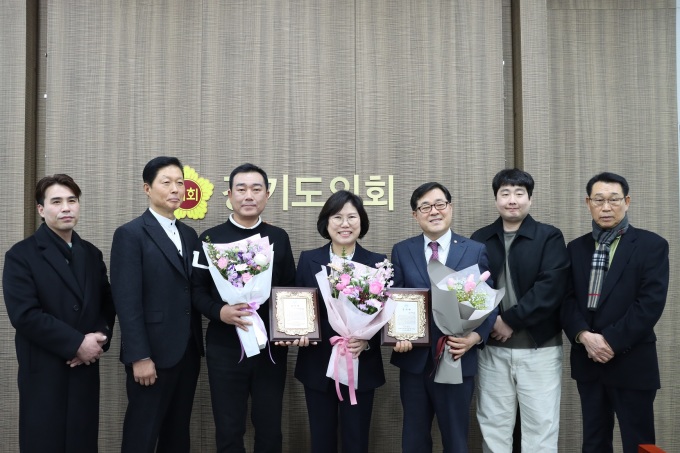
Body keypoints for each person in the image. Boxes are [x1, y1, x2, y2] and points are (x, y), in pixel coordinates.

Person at [3, 174, 115, 452]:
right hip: (45, 370)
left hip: (84, 369)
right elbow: (25, 315)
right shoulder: (21, 255)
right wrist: (77, 343)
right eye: (56, 202)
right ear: (41, 209)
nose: (66, 208)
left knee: (82, 442)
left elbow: (107, 302)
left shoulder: (91, 254)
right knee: (45, 442)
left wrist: (99, 338)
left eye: (72, 200)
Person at [192, 163, 296, 453]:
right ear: (229, 195)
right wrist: (219, 312)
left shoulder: (278, 237)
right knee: (228, 428)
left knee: (270, 427)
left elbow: (289, 289)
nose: (248, 195)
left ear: (267, 195)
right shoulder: (209, 239)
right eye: (241, 189)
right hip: (224, 346)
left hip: (270, 348)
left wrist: (290, 328)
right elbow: (196, 291)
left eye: (256, 189)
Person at [561, 172, 668, 453]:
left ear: (627, 201)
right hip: (589, 361)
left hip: (633, 360)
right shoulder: (575, 248)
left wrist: (608, 341)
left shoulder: (652, 245)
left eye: (614, 200)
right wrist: (584, 336)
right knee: (594, 442)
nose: (606, 207)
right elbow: (566, 300)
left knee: (641, 443)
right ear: (588, 203)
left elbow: (650, 304)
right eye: (599, 200)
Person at [390, 181, 496, 453]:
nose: (434, 211)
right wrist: (397, 335)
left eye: (440, 204)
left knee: (456, 440)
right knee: (414, 440)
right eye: (425, 207)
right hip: (414, 360)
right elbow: (395, 299)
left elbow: (488, 301)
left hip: (456, 356)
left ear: (450, 207)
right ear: (415, 215)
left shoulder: (474, 250)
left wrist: (475, 337)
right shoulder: (402, 250)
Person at [471, 169, 569, 452]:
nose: (512, 200)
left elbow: (550, 288)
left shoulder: (549, 236)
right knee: (493, 426)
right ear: (496, 199)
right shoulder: (481, 238)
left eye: (519, 193)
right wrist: (492, 322)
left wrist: (510, 320)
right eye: (505, 193)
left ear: (530, 199)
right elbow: (472, 289)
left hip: (540, 349)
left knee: (541, 428)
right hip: (492, 349)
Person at [110, 156, 204, 453]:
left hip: (187, 351)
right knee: (142, 433)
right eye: (166, 182)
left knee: (178, 433)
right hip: (151, 354)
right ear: (147, 188)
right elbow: (126, 300)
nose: (176, 189)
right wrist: (139, 356)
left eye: (180, 182)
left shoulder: (189, 234)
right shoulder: (130, 234)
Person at [294, 190, 386, 453]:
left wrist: (367, 341)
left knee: (356, 441)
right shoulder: (308, 259)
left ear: (361, 221)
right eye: (337, 217)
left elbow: (386, 317)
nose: (345, 224)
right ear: (326, 222)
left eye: (352, 217)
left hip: (360, 364)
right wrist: (298, 331)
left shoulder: (378, 263)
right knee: (321, 441)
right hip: (317, 364)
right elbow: (298, 305)